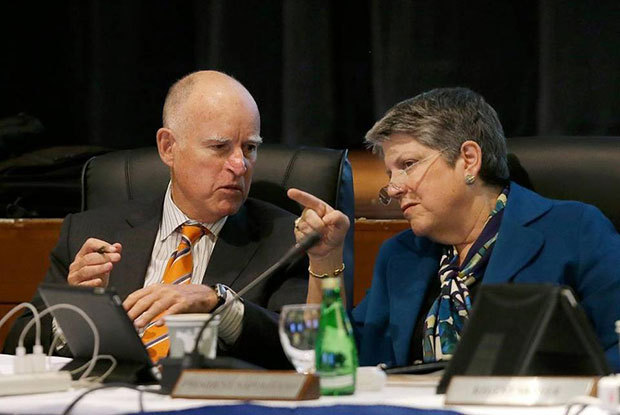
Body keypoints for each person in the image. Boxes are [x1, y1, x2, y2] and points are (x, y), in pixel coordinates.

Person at [288, 87, 620, 371]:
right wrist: (325, 258)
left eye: (408, 165)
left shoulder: (574, 232)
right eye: (390, 173)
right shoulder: (401, 255)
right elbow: (338, 362)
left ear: (469, 159)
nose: (393, 188)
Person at [4, 70, 306, 369]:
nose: (240, 165)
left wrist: (219, 305)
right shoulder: (90, 233)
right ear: (168, 147)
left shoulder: (285, 241)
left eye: (250, 148)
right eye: (219, 147)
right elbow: (18, 345)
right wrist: (74, 310)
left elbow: (301, 352)